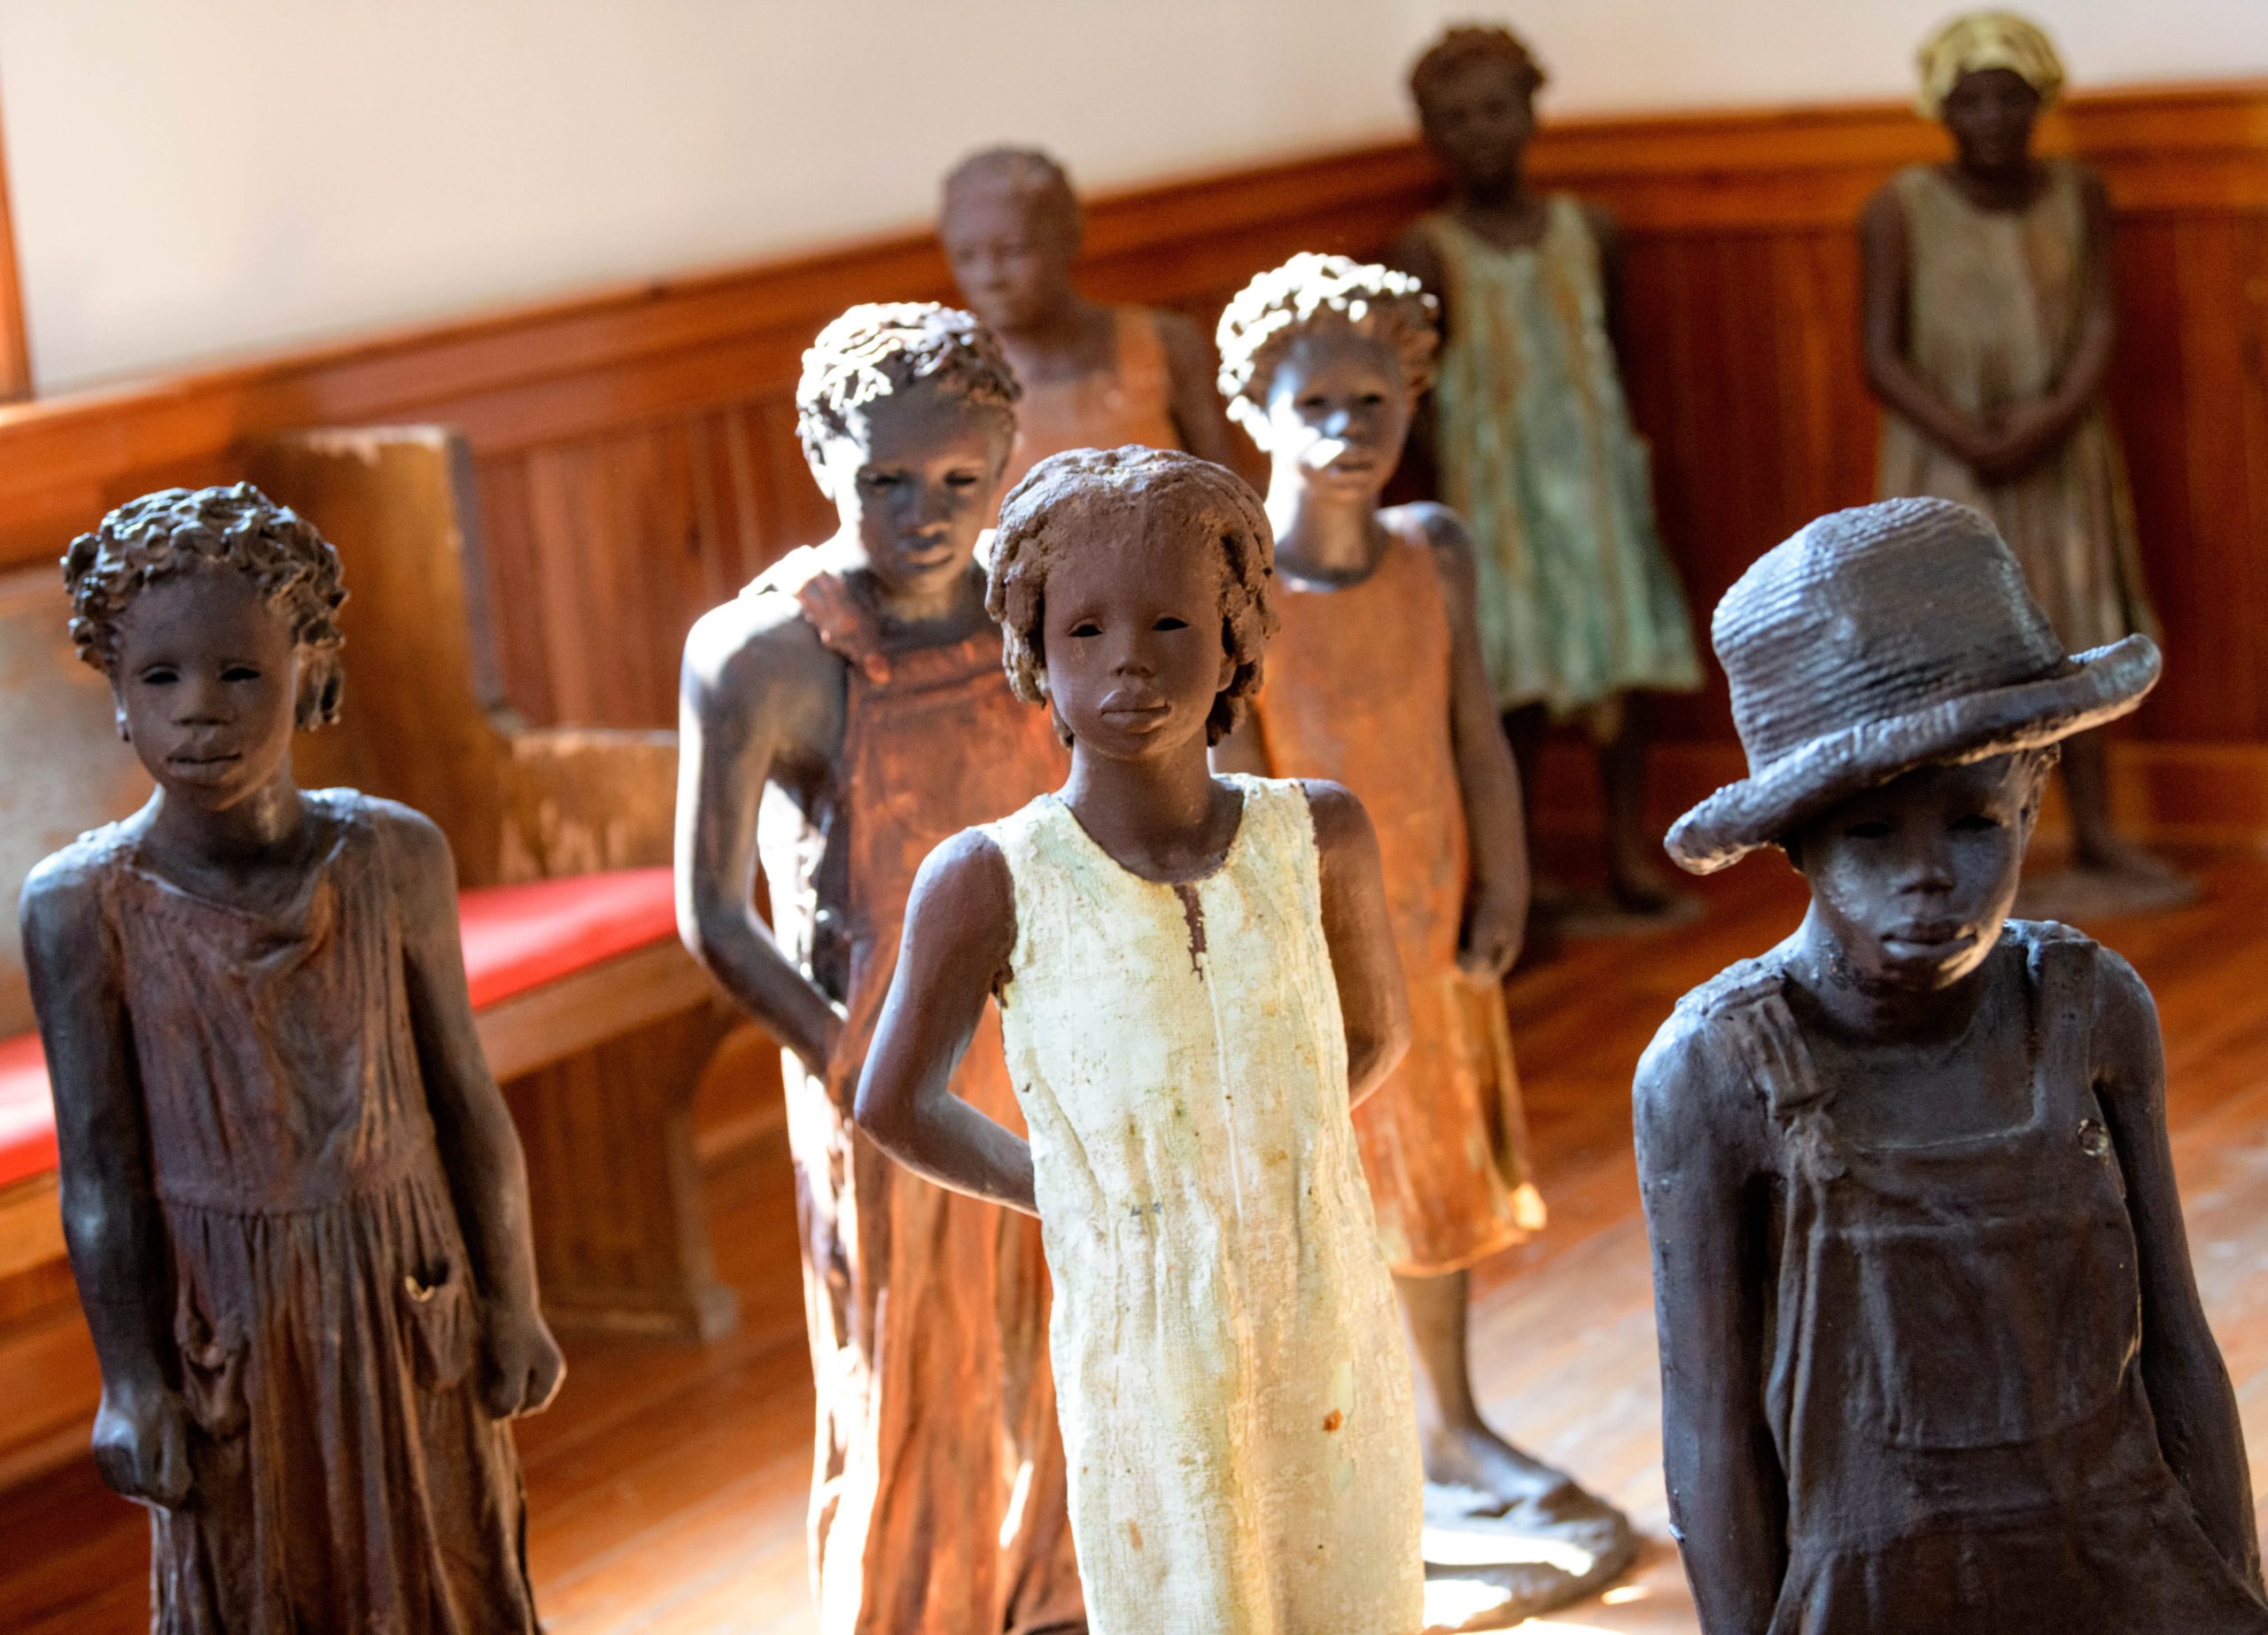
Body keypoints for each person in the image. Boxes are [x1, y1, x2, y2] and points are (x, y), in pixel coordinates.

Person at [1636, 496, 2267, 1634]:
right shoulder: (1713, 1070)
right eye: (1872, 835)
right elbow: (1710, 1428)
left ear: (2034, 793)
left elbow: (2176, 1336)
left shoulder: (2087, 1012)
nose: (1927, 879)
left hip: (2120, 1565)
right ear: (1796, 838)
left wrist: (2234, 1586)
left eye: (1972, 823)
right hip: (1875, 1591)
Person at [855, 447, 1425, 1635]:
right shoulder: (993, 879)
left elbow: (1372, 1033)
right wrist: (1085, 1194)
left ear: (1236, 637)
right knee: (1189, 1588)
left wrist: (1276, 1168)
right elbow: (894, 1100)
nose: (1129, 662)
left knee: (1348, 1569)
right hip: (1143, 1328)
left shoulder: (1318, 836)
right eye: (1085, 630)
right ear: (1034, 647)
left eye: (1172, 622)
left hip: (1326, 1302)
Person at [22, 483, 562, 1632]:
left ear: (312, 676)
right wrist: (128, 1382)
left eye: (240, 675)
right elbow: (101, 1176)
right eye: (160, 679)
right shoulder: (82, 907)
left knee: (442, 1555)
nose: (199, 713)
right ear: (117, 698)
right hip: (229, 1312)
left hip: (401, 1279)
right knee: (257, 1575)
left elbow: (466, 1100)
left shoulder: (391, 857)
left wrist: (514, 1300)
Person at [1212, 252, 1633, 1616]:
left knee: (1442, 1188)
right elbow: (1239, 787)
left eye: (1375, 401)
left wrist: (1505, 882)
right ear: (1254, 412)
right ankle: (1376, 1452)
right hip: (1320, 953)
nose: (1348, 431)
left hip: (1437, 923)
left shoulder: (1431, 549)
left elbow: (1476, 733)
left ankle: (1453, 1420)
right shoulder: (1239, 580)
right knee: (1346, 1198)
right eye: (1317, 403)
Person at [674, 304, 1081, 1634]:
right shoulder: (765, 656)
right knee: (913, 1368)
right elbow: (713, 915)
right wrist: (855, 1061)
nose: (925, 511)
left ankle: (1065, 1598)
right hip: (881, 1061)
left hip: (1064, 1038)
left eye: (963, 480)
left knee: (1084, 1331)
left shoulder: (1041, 604)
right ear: (818, 454)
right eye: (884, 480)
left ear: (1007, 453)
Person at [1861, 10, 2186, 916]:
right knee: (1950, 648)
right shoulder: (1899, 207)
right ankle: (1947, 840)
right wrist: (1965, 436)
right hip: (1947, 464)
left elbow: (2097, 321)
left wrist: (2049, 416)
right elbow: (1879, 354)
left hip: (2060, 451)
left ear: (2041, 102)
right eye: (1973, 100)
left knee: (2069, 631)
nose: (1994, 118)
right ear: (1941, 108)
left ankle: (2098, 830)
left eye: (2013, 98)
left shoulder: (2077, 194)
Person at [1391, 24, 1703, 923]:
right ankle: (1517, 863)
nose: (1480, 133)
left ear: (1531, 113)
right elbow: (1411, 395)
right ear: (1430, 135)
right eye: (1455, 118)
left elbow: (1617, 354)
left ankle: (1626, 847)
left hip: (1592, 481)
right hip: (1496, 497)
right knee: (1511, 683)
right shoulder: (1426, 251)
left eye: (1496, 109)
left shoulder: (1586, 230)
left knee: (1620, 667)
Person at [941, 147, 1240, 496]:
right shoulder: (952, 381)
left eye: (1013, 251)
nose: (989, 278)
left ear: (1068, 237)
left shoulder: (1162, 344)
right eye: (965, 257)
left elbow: (1226, 492)